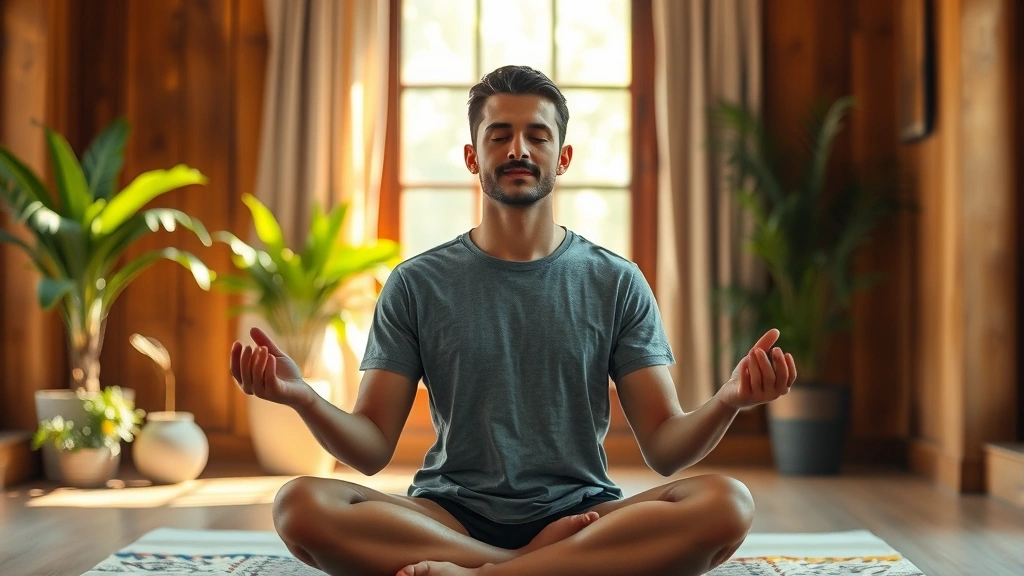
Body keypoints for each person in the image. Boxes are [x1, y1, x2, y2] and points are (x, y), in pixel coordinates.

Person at [230, 65, 797, 576]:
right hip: (448, 516)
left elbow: (665, 451)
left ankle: (489, 575)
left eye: (537, 136)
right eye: (498, 135)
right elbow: (373, 448)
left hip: (582, 512)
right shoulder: (416, 284)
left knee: (728, 503)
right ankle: (534, 567)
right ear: (473, 157)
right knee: (300, 505)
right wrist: (302, 396)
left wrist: (728, 400)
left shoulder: (616, 281)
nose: (518, 149)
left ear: (563, 157)